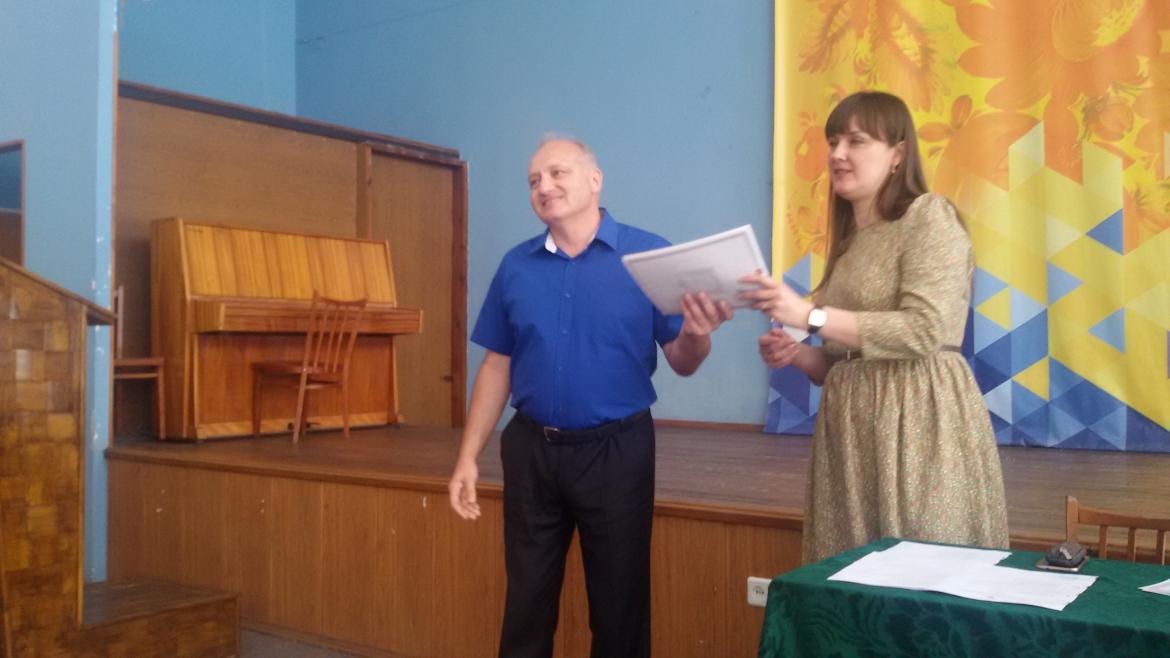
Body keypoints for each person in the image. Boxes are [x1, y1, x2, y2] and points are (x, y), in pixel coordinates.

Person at [448, 136, 732, 657]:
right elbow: (496, 365)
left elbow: (684, 360)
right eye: (534, 180)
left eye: (557, 173)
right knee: (526, 603)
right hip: (531, 452)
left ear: (595, 180)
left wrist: (696, 333)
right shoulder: (516, 266)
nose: (544, 186)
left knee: (620, 606)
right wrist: (468, 456)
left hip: (616, 454)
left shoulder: (649, 256)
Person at [739, 91, 1009, 563]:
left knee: (923, 574)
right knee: (849, 571)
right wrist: (799, 354)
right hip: (850, 431)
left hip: (917, 420)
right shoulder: (849, 242)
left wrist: (809, 316)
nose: (838, 154)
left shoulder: (928, 216)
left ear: (897, 154)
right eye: (833, 142)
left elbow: (927, 330)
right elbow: (844, 361)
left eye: (856, 141)